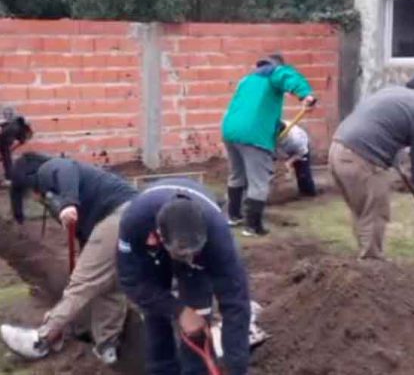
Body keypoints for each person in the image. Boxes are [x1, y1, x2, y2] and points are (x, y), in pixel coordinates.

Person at [1, 152, 139, 364]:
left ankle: (41, 339)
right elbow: (89, 237)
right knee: (110, 285)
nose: (36, 198)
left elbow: (64, 169)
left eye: (31, 193)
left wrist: (67, 203)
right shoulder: (88, 184)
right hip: (135, 216)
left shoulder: (51, 169)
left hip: (120, 216)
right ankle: (106, 345)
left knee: (83, 282)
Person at [117, 178, 250, 375]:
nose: (190, 258)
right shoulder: (135, 222)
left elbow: (236, 302)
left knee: (199, 311)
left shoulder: (218, 235)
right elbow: (131, 281)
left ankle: (196, 370)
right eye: (184, 255)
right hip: (151, 250)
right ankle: (162, 369)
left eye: (194, 252)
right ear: (161, 237)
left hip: (201, 237)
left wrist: (236, 368)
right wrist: (178, 310)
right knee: (156, 313)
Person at [221, 53, 316, 236]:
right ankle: (253, 227)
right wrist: (306, 95)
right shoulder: (274, 72)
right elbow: (288, 75)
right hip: (254, 133)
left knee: (236, 174)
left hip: (230, 130)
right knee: (259, 181)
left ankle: (233, 216)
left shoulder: (246, 80)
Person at [329, 79, 414, 260]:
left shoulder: (391, 93)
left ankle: (364, 268)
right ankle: (372, 266)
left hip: (337, 148)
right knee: (375, 211)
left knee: (362, 211)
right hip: (362, 156)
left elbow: (394, 147)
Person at [276, 121, 317, 197]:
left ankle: (310, 193)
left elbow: (302, 152)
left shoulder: (296, 139)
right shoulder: (270, 130)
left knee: (303, 172)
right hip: (282, 147)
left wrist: (289, 162)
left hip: (300, 149)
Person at [0, 107, 33, 183]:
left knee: (6, 155)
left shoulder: (15, 126)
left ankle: (9, 177)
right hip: (10, 134)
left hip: (10, 134)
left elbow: (25, 138)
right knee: (6, 155)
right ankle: (9, 177)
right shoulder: (17, 124)